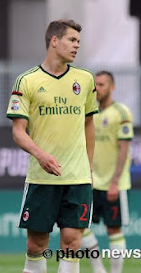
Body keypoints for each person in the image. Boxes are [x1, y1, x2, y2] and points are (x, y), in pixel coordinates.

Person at [6, 19, 98, 273]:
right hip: (42, 179)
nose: (77, 45)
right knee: (37, 245)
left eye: (78, 41)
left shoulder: (85, 80)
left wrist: (88, 167)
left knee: (72, 243)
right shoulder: (27, 81)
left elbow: (89, 124)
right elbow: (18, 132)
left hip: (77, 178)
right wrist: (40, 155)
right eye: (71, 40)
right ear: (54, 41)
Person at [81, 71, 133, 273]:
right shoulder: (89, 112)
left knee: (114, 229)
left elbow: (124, 149)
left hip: (113, 184)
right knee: (80, 227)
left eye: (102, 84)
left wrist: (114, 182)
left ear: (112, 87)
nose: (97, 88)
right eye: (95, 84)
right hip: (90, 181)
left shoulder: (121, 113)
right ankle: (98, 268)